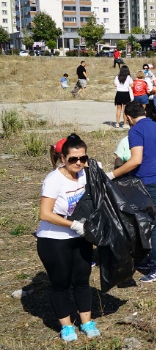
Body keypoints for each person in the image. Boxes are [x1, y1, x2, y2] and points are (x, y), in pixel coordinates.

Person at [36, 134, 101, 342]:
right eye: (73, 159)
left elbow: (105, 179)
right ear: (63, 158)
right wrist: (73, 225)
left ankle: (87, 322)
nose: (79, 163)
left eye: (83, 158)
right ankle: (66, 326)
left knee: (82, 280)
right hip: (54, 239)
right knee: (61, 283)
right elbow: (45, 214)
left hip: (80, 237)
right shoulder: (53, 180)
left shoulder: (86, 173)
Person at [107, 101, 156, 282]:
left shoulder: (135, 131)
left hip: (149, 183)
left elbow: (135, 160)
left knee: (152, 226)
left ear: (128, 117)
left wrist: (112, 175)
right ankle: (154, 260)